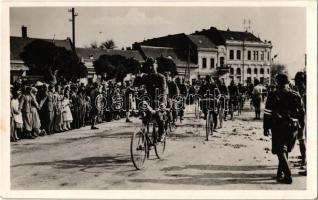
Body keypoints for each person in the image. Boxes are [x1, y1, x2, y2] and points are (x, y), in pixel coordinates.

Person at [263, 73, 305, 184]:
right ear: (287, 83)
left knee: (280, 150)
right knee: (284, 149)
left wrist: (266, 127)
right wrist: (301, 126)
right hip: (293, 127)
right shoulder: (295, 94)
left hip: (278, 126)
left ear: (277, 83)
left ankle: (288, 175)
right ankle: (280, 173)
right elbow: (302, 112)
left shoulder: (273, 95)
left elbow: (267, 113)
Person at [293, 71, 307, 175]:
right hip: (301, 118)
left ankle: (304, 160)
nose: (296, 84)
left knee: (302, 139)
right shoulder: (298, 91)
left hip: (305, 118)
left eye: (298, 82)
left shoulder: (306, 93)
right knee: (301, 140)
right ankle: (304, 159)